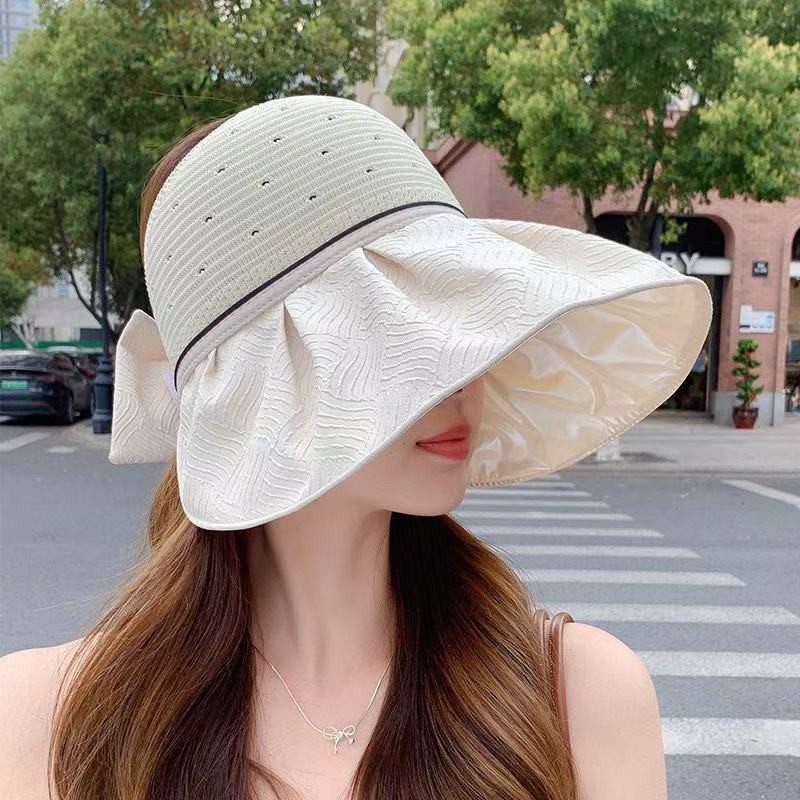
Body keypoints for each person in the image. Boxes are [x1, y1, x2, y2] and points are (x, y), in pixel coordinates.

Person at [0, 95, 713, 800]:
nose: (463, 377)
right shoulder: (43, 719)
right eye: (401, 337)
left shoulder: (581, 694)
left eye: (466, 328)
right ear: (265, 383)